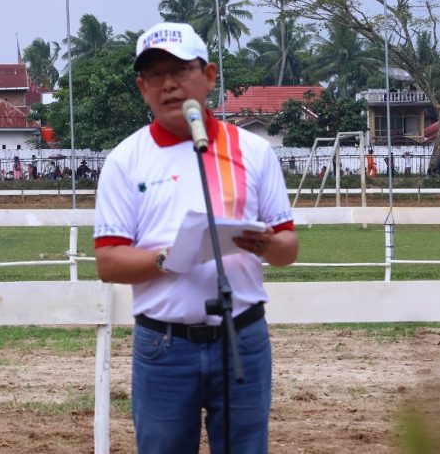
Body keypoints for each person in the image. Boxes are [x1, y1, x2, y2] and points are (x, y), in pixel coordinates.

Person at [94, 22, 298, 453]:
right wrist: (167, 258)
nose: (168, 84)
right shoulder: (125, 161)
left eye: (181, 70)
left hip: (241, 337)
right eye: (154, 75)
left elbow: (287, 249)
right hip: (163, 347)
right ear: (141, 86)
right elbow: (108, 262)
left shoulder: (253, 151)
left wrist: (267, 244)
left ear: (208, 77)